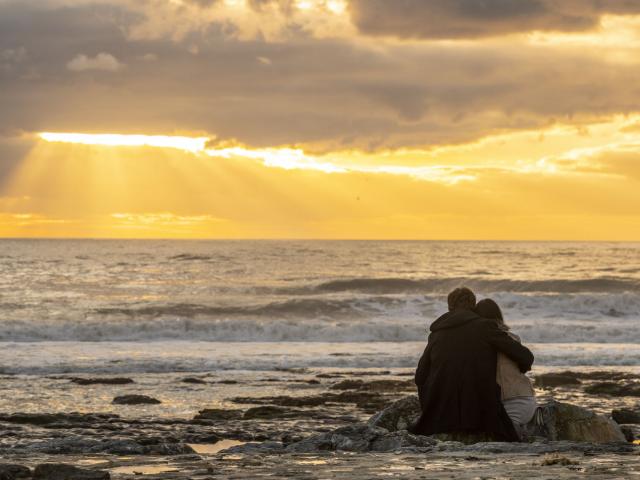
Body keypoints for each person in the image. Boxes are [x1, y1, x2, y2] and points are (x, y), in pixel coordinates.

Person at [411, 287, 534, 442]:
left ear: (449, 307)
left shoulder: (436, 334)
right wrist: (522, 367)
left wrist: (429, 407)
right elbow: (525, 356)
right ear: (473, 306)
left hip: (439, 416)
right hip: (477, 416)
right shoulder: (484, 327)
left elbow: (420, 375)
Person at [475, 298, 537, 437]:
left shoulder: (482, 343)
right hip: (528, 399)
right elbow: (523, 367)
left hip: (508, 405)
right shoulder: (513, 338)